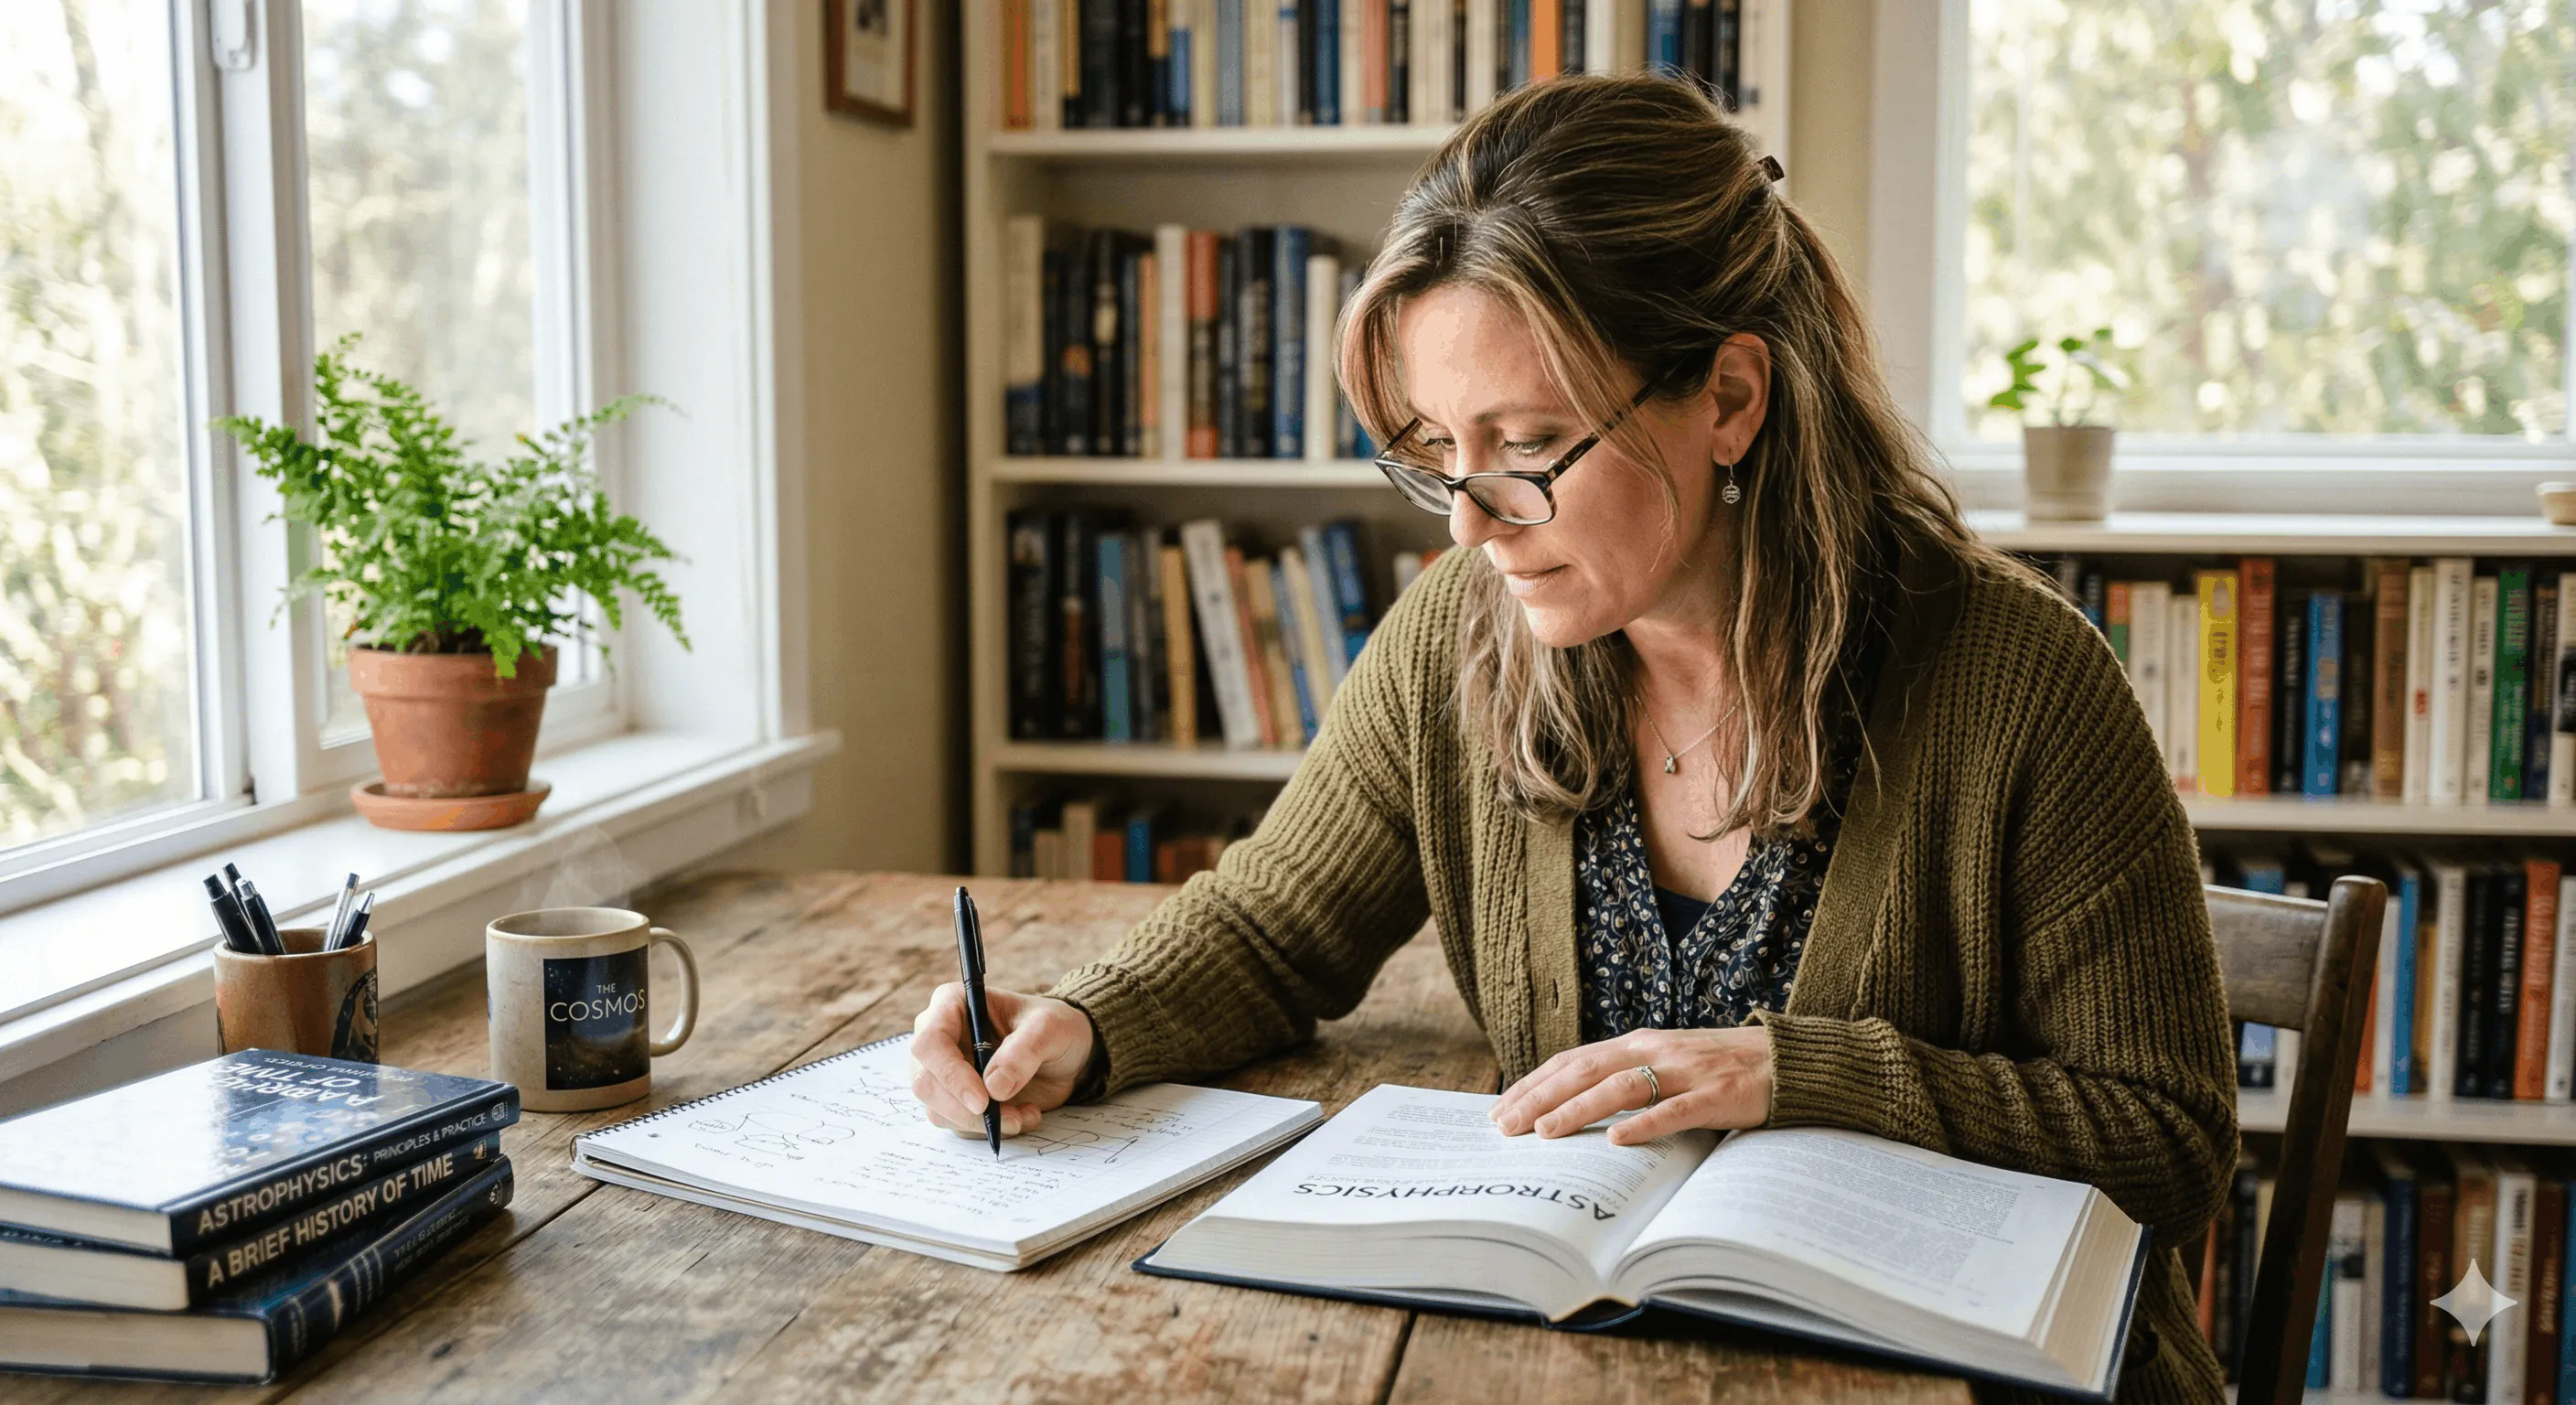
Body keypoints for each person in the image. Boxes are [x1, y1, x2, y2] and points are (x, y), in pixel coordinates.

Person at [911, 73, 2235, 1401]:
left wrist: (1795, 1074)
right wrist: (1084, 1023)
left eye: (1529, 447)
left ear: (1728, 396)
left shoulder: (2022, 682)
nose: (1469, 524)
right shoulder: (1460, 635)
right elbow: (1274, 928)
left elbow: (2168, 1143)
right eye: (1439, 450)